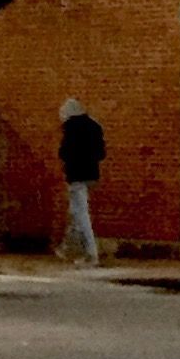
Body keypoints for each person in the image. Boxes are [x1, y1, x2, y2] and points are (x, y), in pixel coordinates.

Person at [57, 98, 105, 264]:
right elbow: (101, 153)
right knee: (75, 212)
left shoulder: (71, 128)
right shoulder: (94, 126)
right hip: (92, 175)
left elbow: (64, 152)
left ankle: (91, 253)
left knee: (81, 214)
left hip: (76, 176)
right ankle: (66, 247)